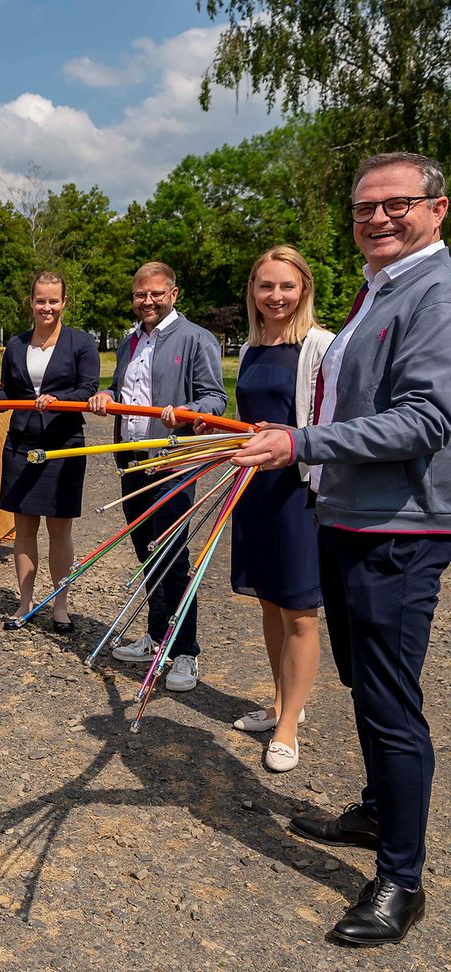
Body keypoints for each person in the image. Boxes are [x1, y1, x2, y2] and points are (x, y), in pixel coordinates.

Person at [233, 152, 451, 946]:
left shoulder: (437, 291)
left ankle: (401, 881)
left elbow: (427, 419)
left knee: (392, 703)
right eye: (364, 209)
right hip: (349, 517)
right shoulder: (382, 289)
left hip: (401, 527)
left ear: (438, 208)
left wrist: (302, 442)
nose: (378, 218)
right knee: (364, 681)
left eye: (396, 205)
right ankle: (374, 809)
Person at [219, 246, 332, 772]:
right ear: (253, 292)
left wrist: (289, 440)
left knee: (300, 610)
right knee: (267, 601)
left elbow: (332, 425)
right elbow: (248, 419)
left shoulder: (319, 346)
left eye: (287, 286)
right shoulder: (249, 348)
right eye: (267, 286)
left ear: (303, 288)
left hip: (298, 490)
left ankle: (290, 723)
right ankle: (282, 701)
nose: (277, 296)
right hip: (255, 488)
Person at [88, 262, 226, 691]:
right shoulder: (130, 342)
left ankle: (185, 651)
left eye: (156, 294)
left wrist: (189, 415)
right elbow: (123, 390)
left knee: (174, 558)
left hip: (171, 464)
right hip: (131, 460)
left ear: (174, 293)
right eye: (140, 294)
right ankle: (155, 635)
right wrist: (107, 396)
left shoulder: (196, 338)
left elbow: (215, 399)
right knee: (147, 552)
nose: (147, 301)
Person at [0, 271, 99, 632]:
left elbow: (89, 388)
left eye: (53, 301)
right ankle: (25, 604)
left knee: (60, 529)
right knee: (24, 528)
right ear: (30, 302)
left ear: (64, 303)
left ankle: (60, 607)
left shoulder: (81, 343)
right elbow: (8, 392)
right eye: (40, 300)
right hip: (20, 444)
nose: (46, 307)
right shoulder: (16, 345)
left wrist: (59, 400)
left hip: (63, 446)